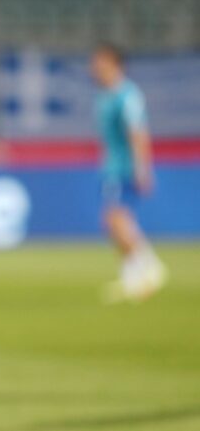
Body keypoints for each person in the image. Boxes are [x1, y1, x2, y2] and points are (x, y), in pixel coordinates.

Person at [91, 44, 166, 302]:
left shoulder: (127, 95)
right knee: (115, 223)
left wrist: (142, 167)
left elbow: (137, 133)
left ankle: (150, 267)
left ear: (115, 64)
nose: (95, 68)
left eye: (101, 63)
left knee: (115, 219)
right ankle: (132, 278)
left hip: (123, 168)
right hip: (110, 166)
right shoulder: (104, 96)